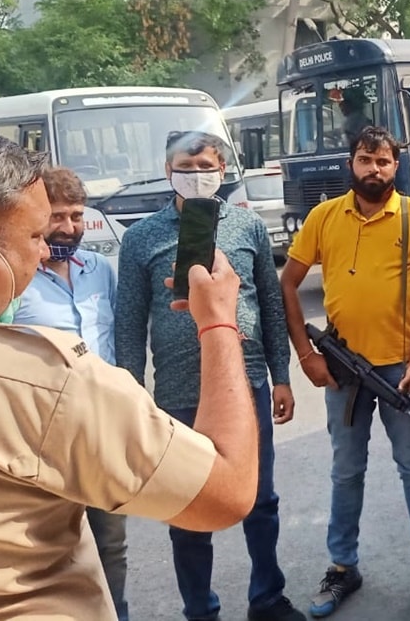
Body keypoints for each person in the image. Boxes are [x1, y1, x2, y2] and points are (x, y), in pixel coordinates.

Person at [0, 124, 259, 619]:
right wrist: (219, 322)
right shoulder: (43, 379)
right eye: (35, 234)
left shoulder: (100, 273)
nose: (45, 248)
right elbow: (225, 493)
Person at [115, 131, 305, 621]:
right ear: (168, 169)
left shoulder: (248, 227)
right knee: (188, 511)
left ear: (222, 171)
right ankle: (200, 610)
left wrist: (281, 375)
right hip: (178, 394)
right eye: (187, 164)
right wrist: (130, 396)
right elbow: (131, 326)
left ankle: (267, 598)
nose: (197, 173)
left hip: (247, 384)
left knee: (260, 500)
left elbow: (269, 304)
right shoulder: (141, 238)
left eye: (206, 165)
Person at [280, 126, 410, 616]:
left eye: (382, 161)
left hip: (400, 369)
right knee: (346, 471)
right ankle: (342, 567)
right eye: (365, 160)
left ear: (395, 166)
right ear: (351, 164)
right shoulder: (323, 217)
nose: (373, 169)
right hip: (342, 371)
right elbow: (288, 284)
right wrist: (307, 355)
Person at [11, 166, 131, 620]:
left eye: (77, 216)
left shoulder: (99, 270)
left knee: (111, 545)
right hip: (41, 440)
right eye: (57, 217)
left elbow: (119, 342)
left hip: (102, 435)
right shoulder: (17, 279)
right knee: (49, 550)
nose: (68, 227)